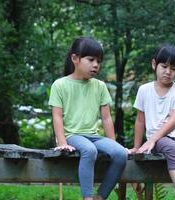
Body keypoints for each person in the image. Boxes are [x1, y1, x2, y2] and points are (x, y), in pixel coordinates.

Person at [48, 37, 127, 200]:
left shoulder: (100, 86)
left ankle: (100, 196)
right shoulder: (60, 85)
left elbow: (106, 118)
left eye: (99, 61)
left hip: (93, 136)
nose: (96, 64)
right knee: (90, 150)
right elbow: (57, 117)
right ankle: (88, 197)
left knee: (120, 153)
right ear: (75, 59)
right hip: (72, 136)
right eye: (91, 60)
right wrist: (62, 143)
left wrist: (112, 143)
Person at [129, 44, 175, 200]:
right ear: (154, 64)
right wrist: (137, 146)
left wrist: (152, 140)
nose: (168, 72)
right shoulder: (144, 90)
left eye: (173, 68)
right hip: (159, 138)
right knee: (172, 148)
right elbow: (140, 120)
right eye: (164, 66)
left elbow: (173, 121)